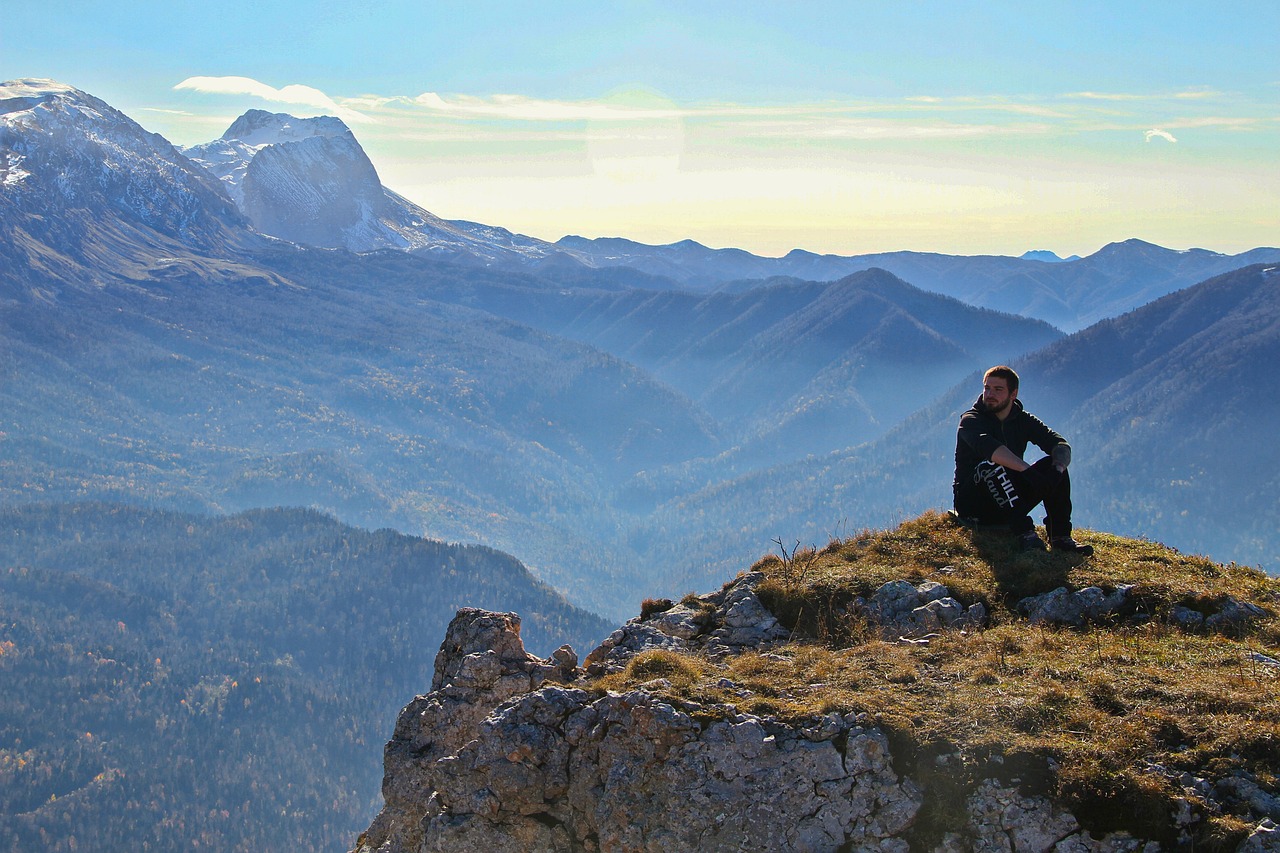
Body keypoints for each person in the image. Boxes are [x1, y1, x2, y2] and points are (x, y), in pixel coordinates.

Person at [953, 365, 1093, 554]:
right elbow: (991, 450)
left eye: (998, 389)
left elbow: (1060, 444)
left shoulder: (1022, 420)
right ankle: (1025, 533)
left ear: (1013, 394)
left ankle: (1060, 537)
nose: (990, 394)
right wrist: (1028, 472)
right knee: (990, 465)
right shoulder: (971, 421)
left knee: (1054, 465)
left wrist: (1056, 471)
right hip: (973, 503)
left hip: (1010, 501)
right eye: (987, 388)